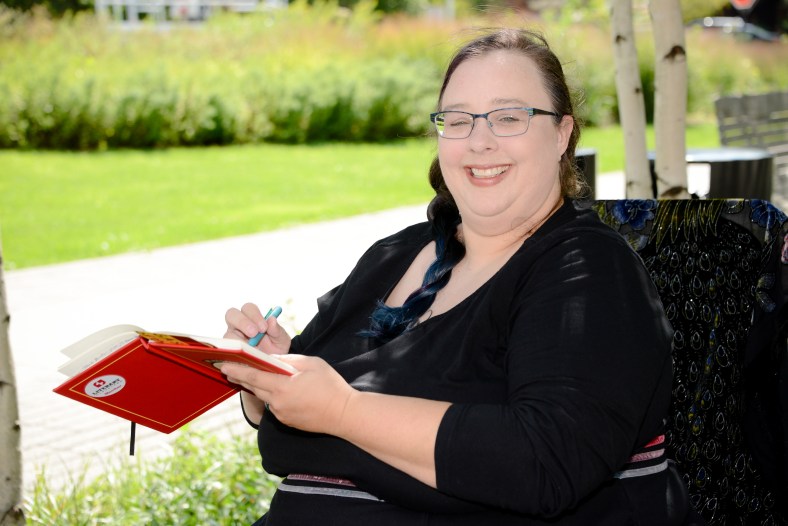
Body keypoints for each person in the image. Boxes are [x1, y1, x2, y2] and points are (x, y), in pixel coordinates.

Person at [221, 28, 693, 525]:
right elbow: (285, 437)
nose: (480, 142)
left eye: (509, 117)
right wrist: (267, 381)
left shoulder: (588, 268)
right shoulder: (396, 255)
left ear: (561, 134)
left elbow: (547, 463)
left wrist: (343, 412)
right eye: (459, 120)